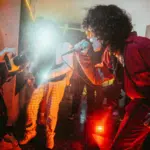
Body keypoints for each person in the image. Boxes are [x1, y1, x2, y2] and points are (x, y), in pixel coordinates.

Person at [76, 4, 150, 149]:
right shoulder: (110, 54)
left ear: (105, 30)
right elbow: (97, 77)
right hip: (139, 106)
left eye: (92, 32)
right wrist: (82, 56)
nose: (89, 37)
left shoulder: (140, 46)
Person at [19, 20, 74, 149]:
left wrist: (49, 74)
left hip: (57, 83)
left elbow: (69, 66)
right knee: (31, 106)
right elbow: (36, 60)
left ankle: (50, 137)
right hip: (41, 80)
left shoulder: (65, 45)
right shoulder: (41, 43)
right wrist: (30, 73)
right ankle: (30, 132)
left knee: (51, 112)